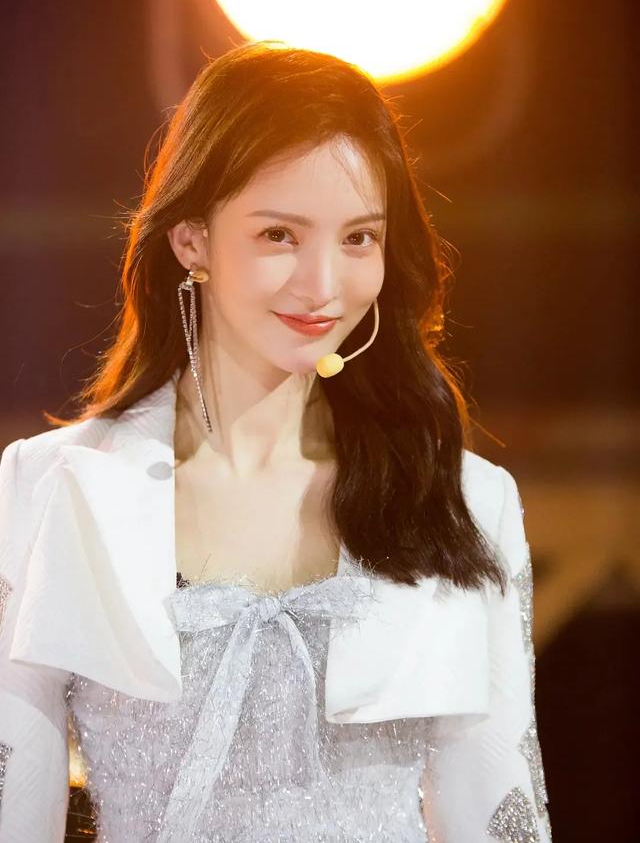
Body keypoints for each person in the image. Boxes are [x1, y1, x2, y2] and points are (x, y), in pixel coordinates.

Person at [0, 41, 552, 842]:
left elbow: (500, 812)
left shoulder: (464, 500)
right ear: (191, 240)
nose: (323, 286)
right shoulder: (54, 489)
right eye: (280, 235)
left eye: (358, 238)